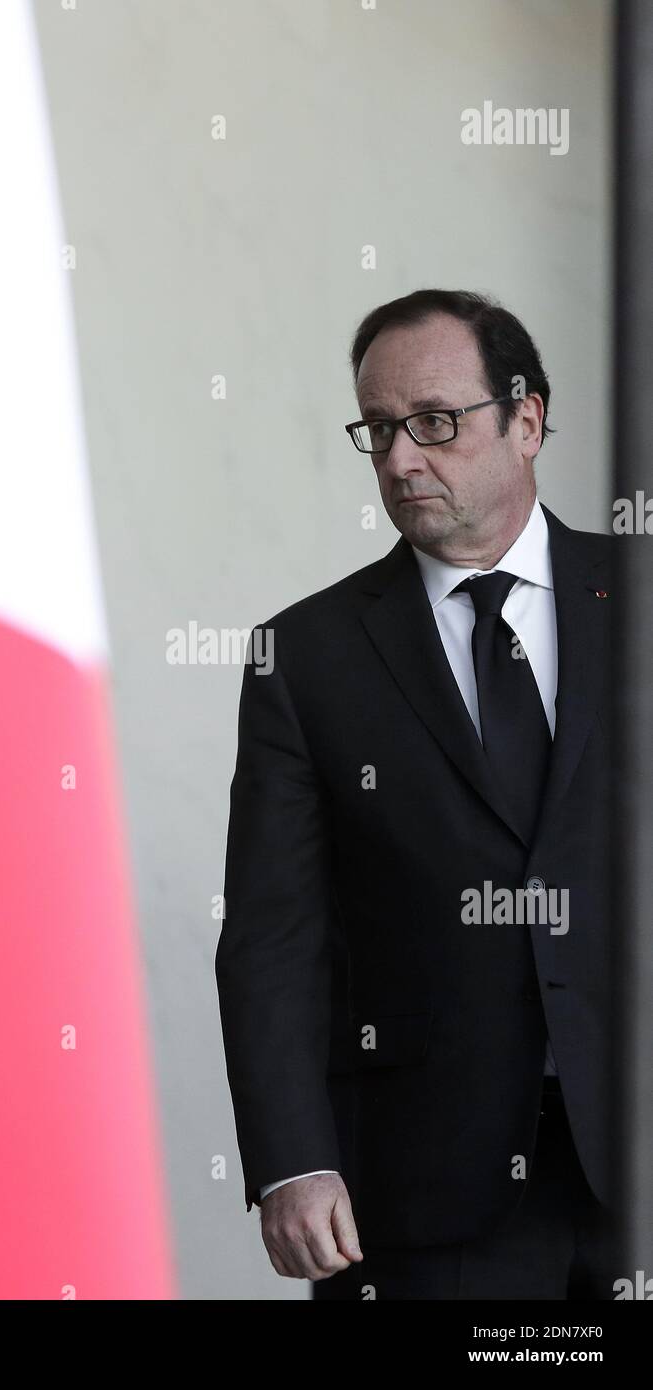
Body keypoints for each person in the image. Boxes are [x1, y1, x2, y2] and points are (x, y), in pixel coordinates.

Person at [215, 290, 618, 1299]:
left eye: (434, 422)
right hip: (421, 1188)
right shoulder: (304, 655)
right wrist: (290, 1160)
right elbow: (272, 932)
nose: (399, 459)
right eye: (379, 430)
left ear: (525, 419)